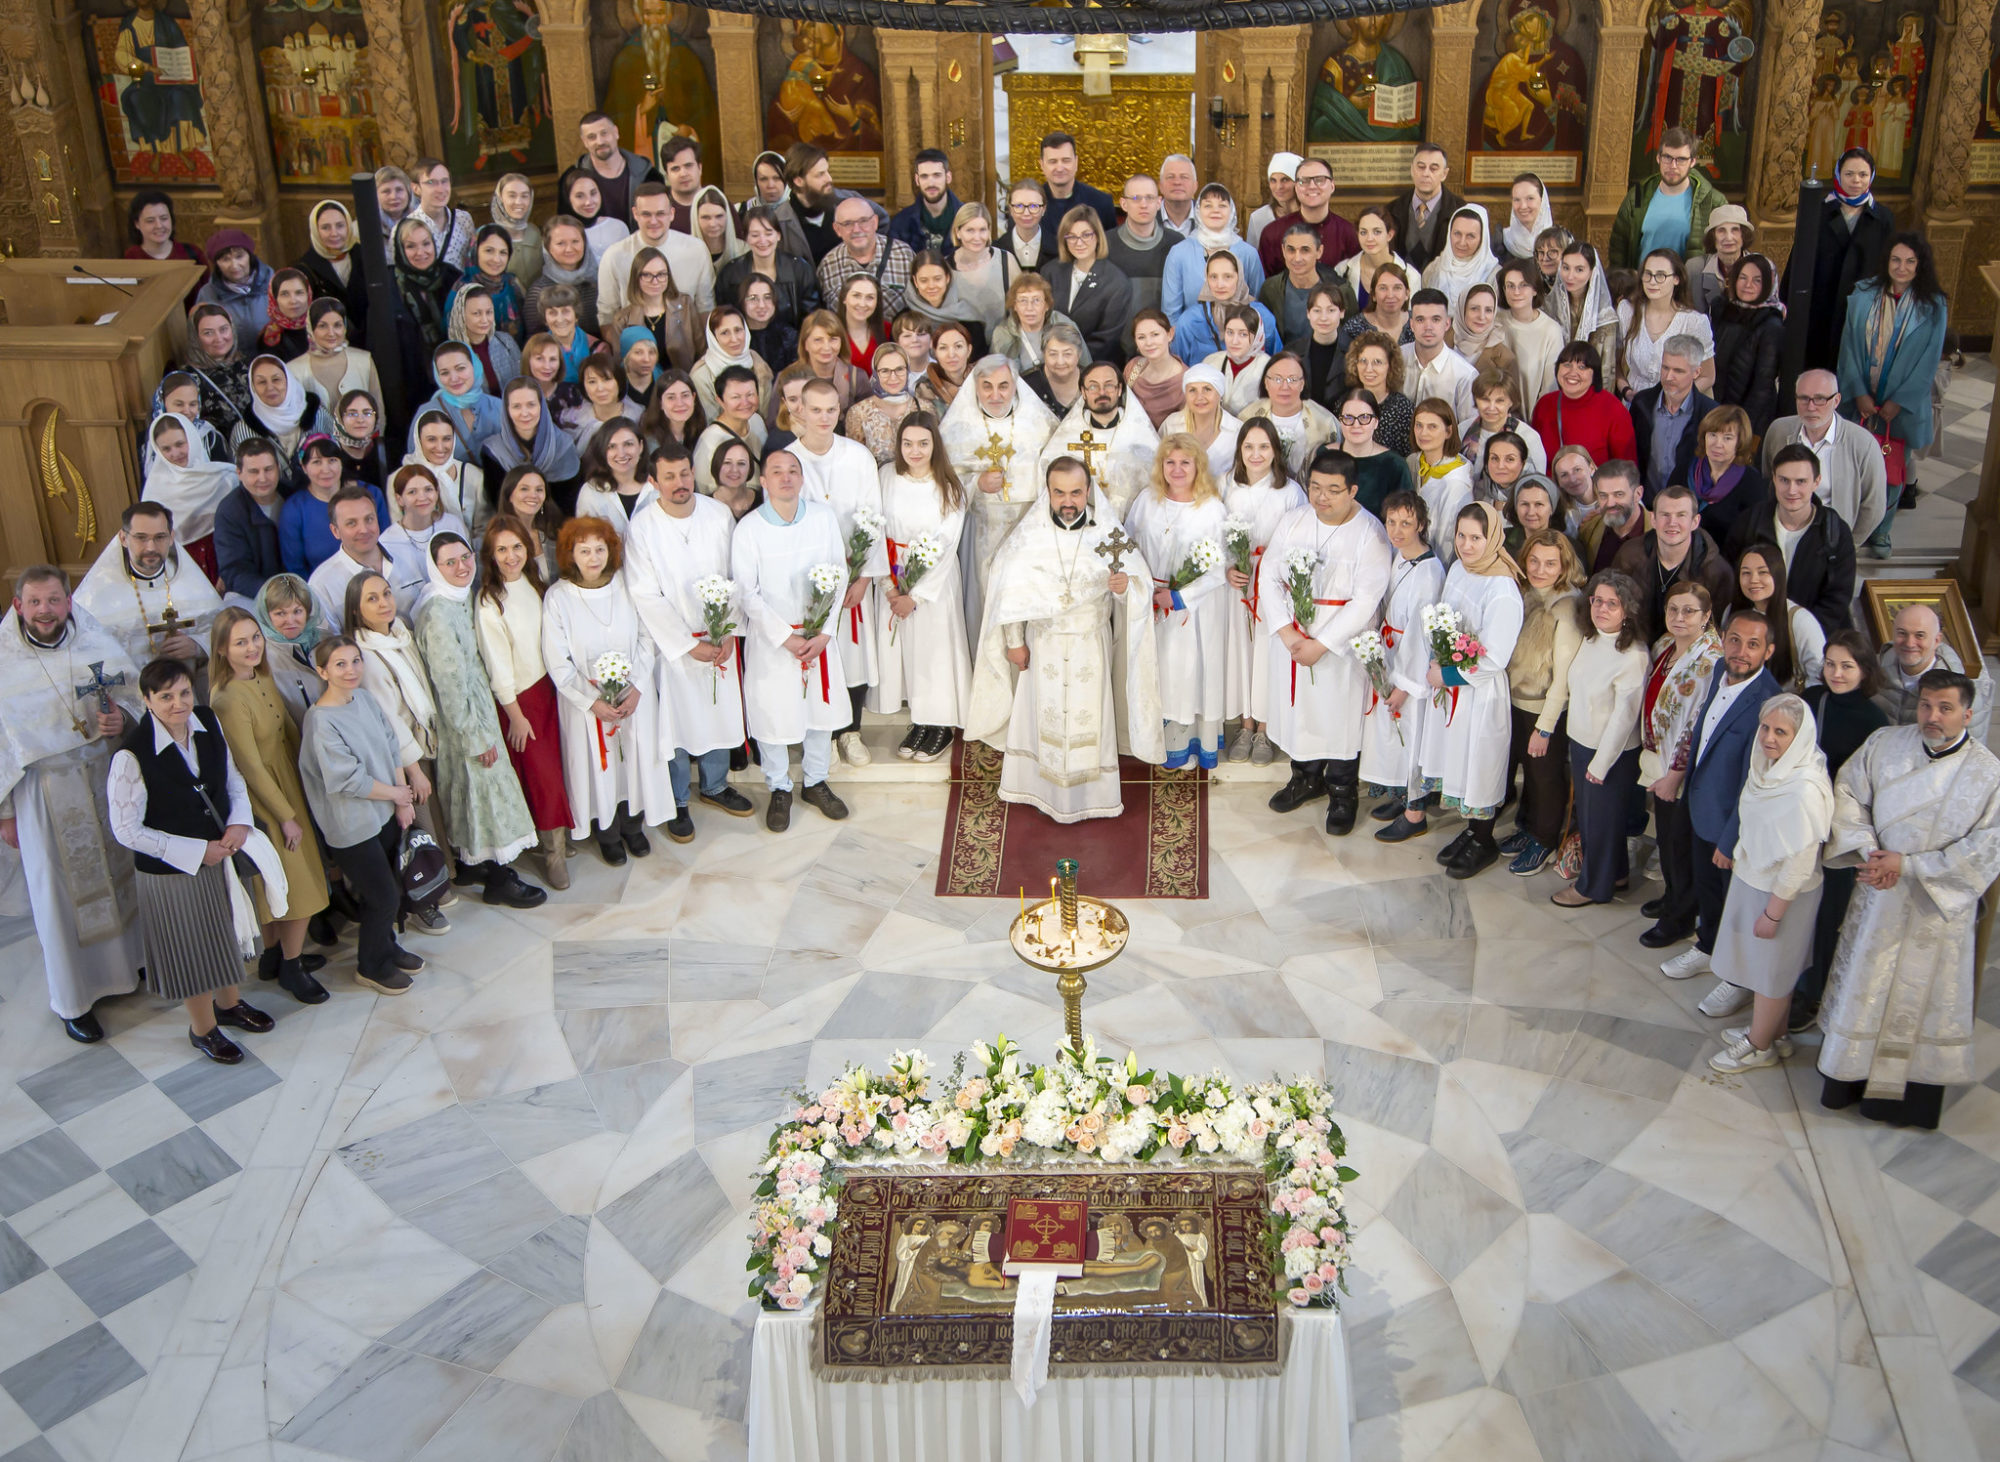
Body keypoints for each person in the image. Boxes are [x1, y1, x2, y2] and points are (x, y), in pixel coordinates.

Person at [1814, 668, 2000, 1124]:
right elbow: (1848, 792)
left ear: (1968, 714)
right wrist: (1869, 851)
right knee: (1867, 986)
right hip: (1879, 892)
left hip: (1936, 909)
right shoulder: (1885, 743)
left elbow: (1988, 846)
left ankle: (1911, 1102)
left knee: (1922, 1001)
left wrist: (1911, 865)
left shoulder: (1988, 774)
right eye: (1925, 705)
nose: (1932, 716)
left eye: (1945, 708)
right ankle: (1847, 1081)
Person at [965, 458, 1163, 822]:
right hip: (1045, 644)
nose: (1067, 500)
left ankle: (1092, 798)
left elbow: (1138, 585)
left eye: (1075, 492)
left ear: (1088, 491)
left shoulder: (1108, 533)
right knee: (1045, 717)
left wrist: (1124, 589)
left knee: (1089, 718)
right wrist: (1013, 641)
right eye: (1059, 492)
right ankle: (1038, 790)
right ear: (1048, 492)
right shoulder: (1030, 535)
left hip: (1091, 644)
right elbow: (1010, 591)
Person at [0, 571, 145, 1043]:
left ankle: (131, 966)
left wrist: (120, 718)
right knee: (58, 897)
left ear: (68, 601)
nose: (45, 610)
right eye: (35, 601)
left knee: (119, 873)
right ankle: (74, 999)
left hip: (104, 777)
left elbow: (137, 698)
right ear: (18, 606)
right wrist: (4, 812)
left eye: (54, 600)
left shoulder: (94, 643)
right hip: (43, 792)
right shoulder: (4, 661)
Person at [108, 656, 275, 1064]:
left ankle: (230, 1005)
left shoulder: (206, 721)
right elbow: (126, 830)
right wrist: (197, 852)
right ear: (147, 700)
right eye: (165, 697)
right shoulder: (131, 756)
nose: (178, 704)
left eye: (183, 693)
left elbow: (231, 778)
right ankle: (203, 1029)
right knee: (192, 952)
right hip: (171, 874)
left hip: (221, 852)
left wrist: (238, 824)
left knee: (224, 935)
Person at [1255, 448, 1394, 832]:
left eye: (1333, 490)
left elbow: (1366, 599)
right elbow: (1268, 574)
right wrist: (1286, 630)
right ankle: (1304, 778)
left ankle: (1342, 792)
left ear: (1352, 490)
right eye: (1315, 487)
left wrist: (1322, 643)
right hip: (1294, 637)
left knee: (1339, 718)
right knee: (1299, 712)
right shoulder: (1294, 520)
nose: (1321, 497)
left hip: (1341, 646)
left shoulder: (1371, 533)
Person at [1696, 694, 1837, 1070]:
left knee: (1773, 973)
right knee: (1767, 970)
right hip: (1754, 879)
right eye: (1765, 728)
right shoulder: (1766, 766)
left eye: (1781, 732)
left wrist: (1773, 914)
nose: (1769, 738)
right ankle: (1775, 1035)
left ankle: (1758, 1047)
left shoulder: (1804, 788)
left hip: (1782, 895)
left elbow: (1800, 862)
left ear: (1801, 737)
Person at [1386, 503, 1524, 877]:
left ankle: (1483, 840)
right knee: (1457, 761)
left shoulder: (1503, 588)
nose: (1466, 545)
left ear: (1493, 538)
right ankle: (1469, 830)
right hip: (1447, 686)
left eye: (1476, 537)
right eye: (1461, 536)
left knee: (1478, 764)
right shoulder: (1461, 570)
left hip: (1477, 693)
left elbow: (1495, 656)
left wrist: (1447, 674)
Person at [412, 534, 546, 907]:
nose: (461, 567)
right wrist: (475, 737)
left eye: (465, 557)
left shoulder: (460, 597)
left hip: (480, 713)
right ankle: (500, 880)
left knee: (479, 797)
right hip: (466, 724)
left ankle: (478, 865)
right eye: (449, 562)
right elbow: (451, 685)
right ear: (434, 568)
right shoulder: (437, 614)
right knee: (486, 796)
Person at [207, 608, 330, 1006]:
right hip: (266, 797)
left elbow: (287, 730)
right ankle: (293, 968)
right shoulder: (226, 698)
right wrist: (286, 816)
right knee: (296, 881)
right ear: (223, 650)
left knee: (294, 876)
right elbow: (251, 767)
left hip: (288, 780)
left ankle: (276, 956)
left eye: (255, 638)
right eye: (240, 642)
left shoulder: (261, 677)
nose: (252, 647)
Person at [729, 449, 851, 829]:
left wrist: (825, 631)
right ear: (763, 481)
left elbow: (838, 572)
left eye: (793, 471)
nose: (786, 477)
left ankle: (815, 781)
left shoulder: (822, 518)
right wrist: (786, 637)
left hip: (817, 637)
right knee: (773, 713)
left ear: (802, 478)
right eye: (776, 472)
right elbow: (747, 593)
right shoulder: (749, 529)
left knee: (819, 713)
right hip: (773, 641)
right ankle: (779, 786)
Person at [1659, 611, 1779, 993]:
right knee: (1707, 889)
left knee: (1736, 901)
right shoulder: (1717, 674)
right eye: (1735, 640)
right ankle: (1708, 946)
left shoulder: (1768, 703)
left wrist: (1730, 841)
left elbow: (1754, 783)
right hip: (1701, 807)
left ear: (1769, 651)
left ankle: (1737, 978)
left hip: (1733, 823)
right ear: (1723, 639)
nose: (1741, 652)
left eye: (1753, 644)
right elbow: (1701, 737)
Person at [300, 635, 426, 993]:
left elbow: (390, 747)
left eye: (355, 661)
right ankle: (371, 966)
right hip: (351, 825)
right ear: (322, 671)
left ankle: (385, 947)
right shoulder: (321, 721)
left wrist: (401, 802)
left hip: (383, 812)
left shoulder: (366, 699)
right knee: (381, 895)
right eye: (340, 664)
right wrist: (397, 793)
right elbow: (346, 779)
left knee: (391, 890)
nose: (351, 669)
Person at [541, 516, 670, 860]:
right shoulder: (558, 598)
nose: (593, 557)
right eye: (584, 551)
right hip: (587, 702)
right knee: (600, 766)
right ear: (570, 554)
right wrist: (592, 701)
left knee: (633, 758)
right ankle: (607, 832)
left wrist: (638, 686)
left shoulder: (627, 585)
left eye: (600, 549)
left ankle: (633, 824)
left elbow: (646, 637)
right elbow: (557, 660)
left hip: (632, 695)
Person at [1793, 631, 1889, 1032]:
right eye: (1830, 664)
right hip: (1802, 818)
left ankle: (1814, 991)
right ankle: (1786, 979)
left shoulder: (1875, 720)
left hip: (1838, 827)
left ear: (1864, 670)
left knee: (1828, 909)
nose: (1836, 673)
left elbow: (1871, 785)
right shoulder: (1814, 701)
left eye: (1847, 666)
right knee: (1794, 900)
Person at [790, 378, 889, 766]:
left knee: (854, 654)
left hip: (854, 577)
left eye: (832, 409)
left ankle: (851, 732)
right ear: (800, 410)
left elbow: (874, 517)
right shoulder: (789, 459)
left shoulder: (858, 456)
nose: (825, 417)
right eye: (816, 409)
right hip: (808, 582)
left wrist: (864, 577)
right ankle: (823, 735)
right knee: (819, 657)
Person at [475, 515, 573, 888]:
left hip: (551, 687)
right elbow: (499, 669)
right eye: (502, 549)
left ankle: (564, 833)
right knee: (542, 777)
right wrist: (515, 715)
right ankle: (554, 854)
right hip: (523, 700)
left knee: (562, 767)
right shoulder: (489, 602)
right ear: (491, 555)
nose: (511, 555)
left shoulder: (536, 583)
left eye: (516, 546)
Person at [1838, 232, 1950, 559]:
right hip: (1861, 399)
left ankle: (1881, 531)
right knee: (1855, 465)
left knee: (1892, 470)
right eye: (1896, 260)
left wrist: (1896, 402)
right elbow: (1848, 349)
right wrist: (1858, 392)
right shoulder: (1863, 296)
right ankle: (1850, 526)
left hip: (1901, 406)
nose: (1901, 268)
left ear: (1920, 265)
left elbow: (1928, 361)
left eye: (1910, 262)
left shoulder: (1933, 305)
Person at [1124, 436, 1232, 769]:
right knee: (1154, 672)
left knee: (1185, 673)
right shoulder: (1146, 500)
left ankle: (1184, 748)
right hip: (1150, 603)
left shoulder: (1211, 507)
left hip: (1191, 609)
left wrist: (1180, 596)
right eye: (1170, 462)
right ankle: (1151, 742)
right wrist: (1142, 588)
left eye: (1185, 462)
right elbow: (1127, 545)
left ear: (1198, 465)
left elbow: (1220, 566)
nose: (1177, 469)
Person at [871, 415, 972, 760]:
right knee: (906, 654)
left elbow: (947, 543)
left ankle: (940, 724)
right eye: (908, 443)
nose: (915, 451)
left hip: (935, 585)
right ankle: (919, 719)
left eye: (923, 444)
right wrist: (889, 587)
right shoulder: (886, 477)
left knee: (934, 653)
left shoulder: (949, 486)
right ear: (899, 445)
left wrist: (916, 595)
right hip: (893, 577)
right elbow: (877, 530)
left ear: (935, 446)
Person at [1551, 572, 1648, 905]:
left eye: (1612, 603)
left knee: (1599, 825)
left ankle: (1592, 887)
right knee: (1600, 821)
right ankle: (1616, 874)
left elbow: (1624, 718)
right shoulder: (1592, 638)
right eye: (1597, 600)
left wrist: (1601, 764)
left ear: (1627, 609)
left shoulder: (1633, 654)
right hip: (1582, 742)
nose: (1602, 608)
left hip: (1609, 754)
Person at [1638, 581, 1723, 948]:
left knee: (1680, 844)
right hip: (1660, 758)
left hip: (1683, 770)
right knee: (1667, 838)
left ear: (1706, 616)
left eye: (1689, 611)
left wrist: (1675, 773)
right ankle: (1673, 896)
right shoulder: (1665, 646)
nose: (1679, 617)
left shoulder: (1710, 660)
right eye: (1674, 609)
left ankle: (1680, 917)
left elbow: (1697, 724)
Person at [1217, 421, 1306, 764]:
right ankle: (1245, 723)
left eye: (1264, 447)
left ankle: (1266, 730)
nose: (1256, 455)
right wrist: (1228, 565)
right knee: (1242, 651)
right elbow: (1217, 531)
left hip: (1273, 584)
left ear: (1275, 451)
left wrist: (1279, 576)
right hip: (1238, 581)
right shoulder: (1227, 484)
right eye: (1249, 447)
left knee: (1268, 653)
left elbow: (1296, 542)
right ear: (1239, 450)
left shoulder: (1290, 492)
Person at [942, 355, 1059, 602]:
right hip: (983, 528)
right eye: (987, 386)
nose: (995, 395)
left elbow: (1058, 470)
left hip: (1029, 524)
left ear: (1015, 384)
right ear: (976, 387)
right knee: (987, 596)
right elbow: (941, 482)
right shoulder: (957, 428)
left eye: (1003, 385)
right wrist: (977, 483)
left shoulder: (1039, 423)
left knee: (1026, 594)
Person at [1501, 531, 1585, 875]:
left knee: (1546, 778)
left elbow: (1563, 679)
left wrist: (1545, 727)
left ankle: (1545, 839)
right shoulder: (1521, 592)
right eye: (1534, 560)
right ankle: (1529, 829)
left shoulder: (1566, 607)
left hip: (1544, 709)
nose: (1540, 569)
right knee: (1529, 774)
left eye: (1550, 563)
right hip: (1515, 700)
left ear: (1563, 565)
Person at [1360, 491, 1445, 825]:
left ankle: (1415, 812)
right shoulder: (1397, 556)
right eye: (1391, 521)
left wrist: (1406, 687)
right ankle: (1399, 796)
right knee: (1394, 733)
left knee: (1412, 734)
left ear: (1421, 525)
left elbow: (1421, 638)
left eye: (1406, 523)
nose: (1397, 530)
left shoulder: (1429, 571)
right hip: (1390, 651)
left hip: (1412, 665)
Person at [76, 502, 221, 678]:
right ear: (123, 538)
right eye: (141, 538)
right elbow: (87, 653)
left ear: (171, 537)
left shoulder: (193, 585)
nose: (151, 547)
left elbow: (224, 630)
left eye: (160, 537)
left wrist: (198, 646)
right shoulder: (97, 594)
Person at [1787, 148, 1897, 372]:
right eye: (1849, 174)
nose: (1856, 180)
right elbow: (1799, 259)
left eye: (1863, 174)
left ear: (1871, 176)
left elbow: (1888, 264)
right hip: (1820, 305)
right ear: (1838, 174)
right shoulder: (1819, 210)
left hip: (1861, 307)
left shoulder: (1882, 217)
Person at [1761, 369, 1889, 549]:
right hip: (1782, 539)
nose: (1811, 407)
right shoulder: (1779, 431)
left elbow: (1874, 506)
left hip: (1831, 543)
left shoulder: (1863, 444)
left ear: (1836, 400)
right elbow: (1768, 480)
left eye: (1820, 399)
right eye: (1803, 398)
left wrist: (1847, 545)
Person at [1038, 360, 1161, 520]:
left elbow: (1157, 489)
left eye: (1109, 385)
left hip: (1132, 524)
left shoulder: (1141, 436)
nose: (1102, 392)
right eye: (1093, 386)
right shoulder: (1065, 439)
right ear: (1083, 392)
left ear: (1119, 390)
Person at [596, 183, 715, 337]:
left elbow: (705, 307)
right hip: (634, 350)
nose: (653, 221)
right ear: (635, 214)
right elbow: (606, 315)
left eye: (660, 214)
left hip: (686, 348)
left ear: (671, 213)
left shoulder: (697, 250)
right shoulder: (614, 255)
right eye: (646, 214)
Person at [1609, 482, 1732, 632]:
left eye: (1681, 515)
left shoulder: (1717, 571)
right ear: (1653, 519)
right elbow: (1614, 605)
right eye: (1665, 515)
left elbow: (1714, 629)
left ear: (1695, 522)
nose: (1672, 523)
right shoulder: (1629, 554)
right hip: (1635, 642)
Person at [1873, 603, 1994, 741]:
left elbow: (1970, 753)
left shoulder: (1961, 692)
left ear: (1937, 640)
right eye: (1902, 633)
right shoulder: (1873, 670)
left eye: (1920, 635)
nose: (1909, 643)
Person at [1607, 128, 1726, 268]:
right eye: (1667, 158)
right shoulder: (1639, 194)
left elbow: (1723, 251)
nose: (1673, 166)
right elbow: (1619, 244)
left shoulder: (1712, 201)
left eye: (1681, 159)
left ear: (1692, 162)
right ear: (1658, 158)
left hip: (1687, 286)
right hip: (1642, 284)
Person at [142, 412, 238, 583]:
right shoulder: (154, 490)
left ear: (192, 439)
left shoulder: (224, 477)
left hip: (225, 563)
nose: (175, 453)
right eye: (166, 449)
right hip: (181, 572)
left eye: (180, 444)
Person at [1040, 207, 1134, 367]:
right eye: (1072, 236)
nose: (1079, 243)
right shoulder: (1050, 272)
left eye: (1086, 235)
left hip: (1092, 367)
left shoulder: (1116, 281)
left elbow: (1107, 340)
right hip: (1049, 364)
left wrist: (1071, 362)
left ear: (1097, 236)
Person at [1629, 335, 1717, 499]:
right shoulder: (1642, 404)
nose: (1669, 377)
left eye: (1678, 371)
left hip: (1688, 510)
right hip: (1645, 503)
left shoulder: (1710, 414)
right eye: (1665, 368)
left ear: (1696, 372)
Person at [482, 378, 585, 516]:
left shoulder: (563, 446)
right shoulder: (493, 451)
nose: (524, 413)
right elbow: (498, 505)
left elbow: (569, 505)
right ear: (506, 410)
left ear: (541, 407)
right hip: (512, 528)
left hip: (556, 527)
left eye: (531, 405)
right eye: (516, 406)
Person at [309, 484, 407, 629]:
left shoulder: (406, 552)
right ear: (335, 531)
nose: (363, 529)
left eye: (369, 519)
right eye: (351, 523)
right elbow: (329, 644)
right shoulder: (321, 585)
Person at [1618, 253, 1715, 398]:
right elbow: (1615, 363)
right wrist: (1626, 391)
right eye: (1648, 274)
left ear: (1676, 279)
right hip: (1634, 403)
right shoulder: (1627, 310)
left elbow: (1708, 377)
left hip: (1675, 407)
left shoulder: (1694, 322)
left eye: (1661, 275)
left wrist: (1672, 399)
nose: (1652, 281)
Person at [1707, 254, 1784, 436]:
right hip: (1713, 405)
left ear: (1768, 283)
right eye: (1743, 277)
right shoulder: (1720, 308)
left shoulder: (1771, 324)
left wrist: (1741, 427)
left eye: (1757, 280)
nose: (1748, 285)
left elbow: (1762, 388)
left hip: (1744, 419)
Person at [1731, 542, 1825, 691]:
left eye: (1763, 572)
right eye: (1746, 573)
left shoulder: (1800, 620)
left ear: (1778, 575)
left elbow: (1818, 675)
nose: (1753, 580)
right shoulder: (1733, 612)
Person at [1163, 184, 1264, 321]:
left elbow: (1258, 303)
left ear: (1231, 211)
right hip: (1192, 336)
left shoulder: (1248, 253)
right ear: (1198, 211)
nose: (1215, 211)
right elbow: (1171, 312)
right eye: (1208, 205)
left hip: (1239, 337)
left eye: (1222, 205)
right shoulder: (1179, 253)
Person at [1532, 343, 1636, 467]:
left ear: (1595, 373)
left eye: (1582, 367)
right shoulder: (1544, 405)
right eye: (1567, 365)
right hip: (1549, 485)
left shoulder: (1613, 409)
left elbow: (1626, 467)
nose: (1572, 372)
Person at [1257, 156, 1360, 281]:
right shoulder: (1273, 233)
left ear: (1332, 186)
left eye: (1320, 180)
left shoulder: (1348, 233)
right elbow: (1266, 287)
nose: (1311, 186)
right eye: (1303, 181)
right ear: (1296, 187)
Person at [213, 439, 288, 604]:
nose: (263, 478)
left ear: (278, 468)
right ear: (239, 473)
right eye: (254, 471)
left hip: (298, 589)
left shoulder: (292, 495)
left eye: (268, 469)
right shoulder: (229, 511)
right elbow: (233, 570)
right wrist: (274, 593)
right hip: (255, 595)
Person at [1241, 351, 1337, 479]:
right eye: (1277, 379)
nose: (1285, 387)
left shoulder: (1325, 422)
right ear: (1266, 382)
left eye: (1292, 379)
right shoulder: (1247, 417)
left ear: (1302, 384)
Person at [252, 574, 328, 720]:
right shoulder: (262, 659)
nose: (290, 620)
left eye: (297, 611)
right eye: (280, 613)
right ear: (267, 616)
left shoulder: (327, 640)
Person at [1332, 387, 1413, 520]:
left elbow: (1405, 517)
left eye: (1364, 418)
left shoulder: (1394, 465)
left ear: (1376, 422)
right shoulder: (1324, 457)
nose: (1356, 425)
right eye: (1348, 418)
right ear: (1340, 421)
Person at [298, 200, 370, 347]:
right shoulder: (305, 268)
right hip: (330, 346)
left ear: (349, 226)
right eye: (326, 227)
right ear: (315, 230)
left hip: (370, 342)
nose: (334, 233)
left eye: (340, 225)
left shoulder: (365, 256)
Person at [1384, 144, 1465, 274]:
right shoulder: (1392, 210)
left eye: (1433, 168)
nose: (1426, 173)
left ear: (1444, 174)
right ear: (1411, 170)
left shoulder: (1461, 212)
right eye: (1421, 167)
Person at [1409, 399, 1474, 561]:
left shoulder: (1456, 482)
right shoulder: (1412, 462)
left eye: (1432, 426)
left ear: (1448, 432)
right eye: (1419, 425)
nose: (1423, 433)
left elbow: (1449, 540)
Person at [1107, 175, 1177, 322]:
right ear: (1123, 204)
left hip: (1164, 339)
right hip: (1116, 340)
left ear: (1159, 202)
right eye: (1136, 198)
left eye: (1149, 198)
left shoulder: (1176, 244)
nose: (1143, 204)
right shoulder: (1106, 245)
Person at [1403, 290, 1479, 424]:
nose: (1428, 327)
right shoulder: (1396, 358)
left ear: (1447, 324)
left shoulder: (1465, 375)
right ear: (1412, 325)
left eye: (1436, 319)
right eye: (1420, 320)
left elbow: (1468, 429)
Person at [1497, 259, 1564, 409]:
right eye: (1510, 286)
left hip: (1535, 416)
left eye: (1523, 285)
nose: (1516, 292)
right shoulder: (1496, 323)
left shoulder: (1550, 330)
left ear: (1534, 289)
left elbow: (1550, 385)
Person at [575, 110, 656, 228]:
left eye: (604, 133)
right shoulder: (574, 179)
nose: (600, 141)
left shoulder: (645, 173)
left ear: (616, 133)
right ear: (584, 142)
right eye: (592, 137)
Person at [1459, 369, 1547, 477]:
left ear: (1511, 402)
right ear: (1475, 400)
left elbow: (1539, 482)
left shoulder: (1528, 437)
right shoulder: (1462, 429)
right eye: (1485, 399)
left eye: (1500, 401)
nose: (1491, 407)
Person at [1547, 242, 1620, 370]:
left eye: (1579, 270)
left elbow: (1607, 370)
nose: (1570, 276)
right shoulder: (1548, 307)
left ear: (1592, 272)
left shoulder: (1605, 316)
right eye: (1566, 268)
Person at [1419, 206, 1496, 322]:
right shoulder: (1433, 269)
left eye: (1470, 236)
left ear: (1482, 238)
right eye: (1457, 234)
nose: (1462, 242)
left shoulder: (1493, 275)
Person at [1284, 285, 1351, 412]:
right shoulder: (1292, 351)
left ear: (1342, 313)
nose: (1323, 318)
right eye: (1317, 310)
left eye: (1331, 310)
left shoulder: (1354, 351)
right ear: (1308, 313)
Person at [1333, 210, 1411, 317]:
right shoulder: (1342, 270)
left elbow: (1412, 318)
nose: (1369, 238)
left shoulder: (1410, 274)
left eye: (1377, 232)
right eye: (1363, 232)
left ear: (1390, 235)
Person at [1037, 132, 1117, 232]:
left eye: (1066, 160)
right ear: (1042, 165)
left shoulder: (1102, 203)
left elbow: (1109, 245)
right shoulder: (1030, 205)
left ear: (1076, 162)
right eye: (1053, 161)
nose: (1060, 168)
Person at [890, 148, 963, 256]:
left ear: (948, 177)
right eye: (924, 176)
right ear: (917, 180)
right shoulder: (901, 223)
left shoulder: (967, 219)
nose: (931, 183)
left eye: (936, 175)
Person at [1684, 203, 1753, 313]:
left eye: (1735, 230)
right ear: (1713, 237)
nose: (1728, 237)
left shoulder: (1762, 267)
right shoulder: (1694, 268)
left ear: (1743, 235)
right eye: (1721, 231)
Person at [1123, 310, 1186, 429]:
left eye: (1155, 335)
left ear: (1170, 334)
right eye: (1141, 337)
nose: (1149, 343)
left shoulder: (1186, 382)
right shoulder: (1133, 367)